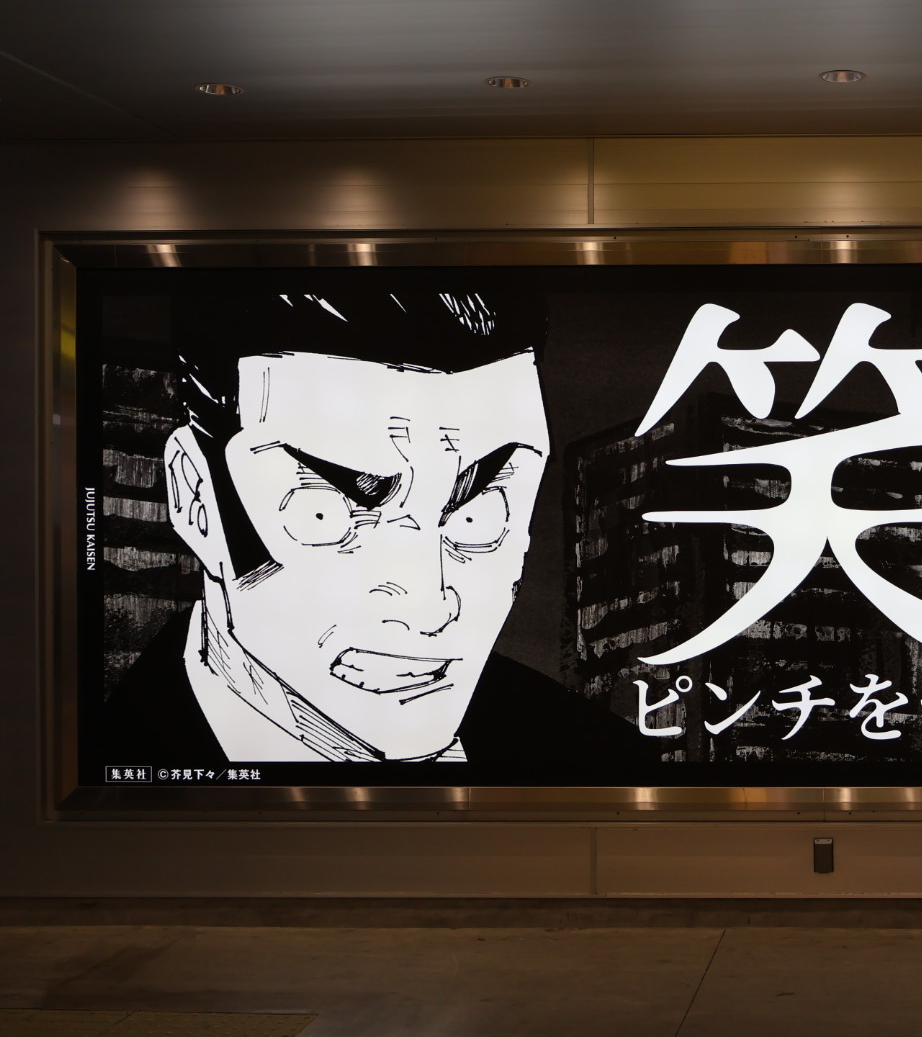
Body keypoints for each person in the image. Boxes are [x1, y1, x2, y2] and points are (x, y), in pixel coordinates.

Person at [101, 287, 646, 769]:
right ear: (195, 498)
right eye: (324, 515)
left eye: (478, 516)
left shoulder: (604, 762)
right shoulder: (100, 762)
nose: (427, 608)